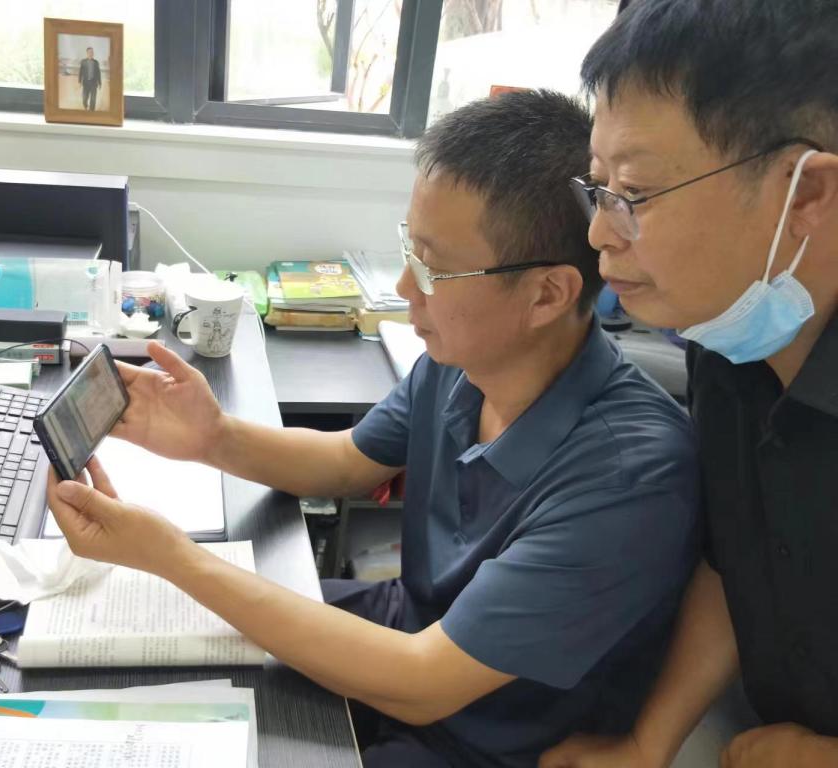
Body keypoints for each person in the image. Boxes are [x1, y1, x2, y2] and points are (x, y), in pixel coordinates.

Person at [47, 90, 699, 767]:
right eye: (408, 249)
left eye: (433, 267)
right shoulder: (460, 363)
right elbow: (347, 462)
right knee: (140, 653)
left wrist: (172, 555)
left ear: (547, 294)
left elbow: (423, 684)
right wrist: (213, 437)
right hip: (403, 635)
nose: (407, 290)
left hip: (481, 741)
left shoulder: (632, 477)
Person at [540, 2, 838, 767]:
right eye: (598, 187)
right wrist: (647, 744)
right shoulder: (727, 340)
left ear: (806, 195)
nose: (600, 232)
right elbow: (737, 557)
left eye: (634, 194)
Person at [78, 46, 101, 111]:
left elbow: (98, 73)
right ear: (87, 53)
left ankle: (91, 110)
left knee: (93, 99)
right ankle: (85, 106)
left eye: (92, 52)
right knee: (84, 98)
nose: (91, 53)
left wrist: (100, 83)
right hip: (86, 83)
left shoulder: (96, 62)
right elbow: (80, 72)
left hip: (93, 83)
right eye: (90, 52)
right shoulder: (83, 62)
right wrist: (79, 81)